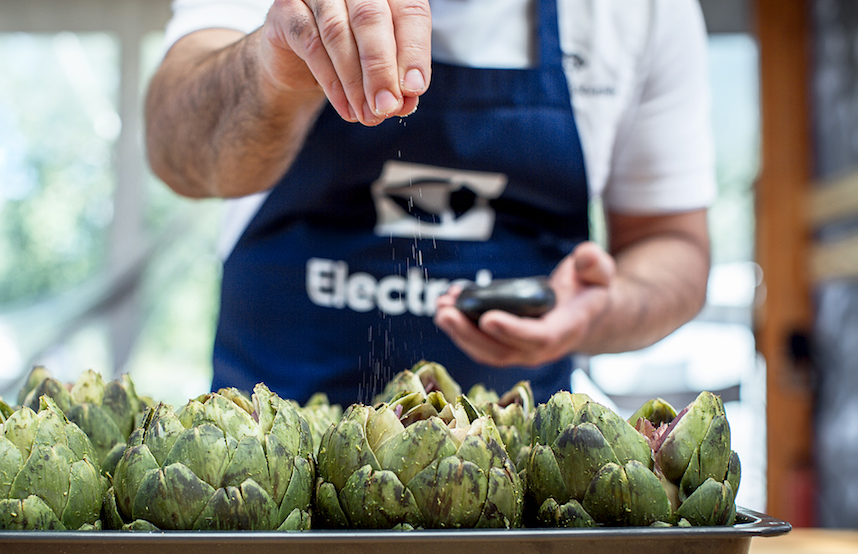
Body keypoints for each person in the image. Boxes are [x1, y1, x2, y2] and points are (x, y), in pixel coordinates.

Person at [144, 0, 715, 407]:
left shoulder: (645, 10)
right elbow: (174, 150)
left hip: (516, 487)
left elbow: (674, 243)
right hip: (272, 483)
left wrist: (599, 309)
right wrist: (269, 65)